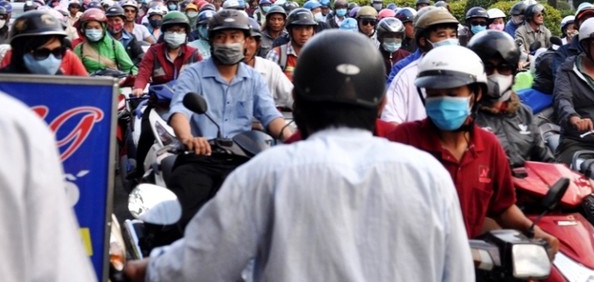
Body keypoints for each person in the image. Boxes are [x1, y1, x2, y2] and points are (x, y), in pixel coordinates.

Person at [123, 31, 473, 282]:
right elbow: (457, 272)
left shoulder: (267, 174)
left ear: (300, 103)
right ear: (381, 104)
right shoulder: (429, 175)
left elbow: (203, 262)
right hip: (206, 151)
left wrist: (146, 268)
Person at [386, 45, 559, 257]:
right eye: (434, 94)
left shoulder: (488, 145)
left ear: (475, 94)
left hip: (470, 263)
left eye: (452, 93)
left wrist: (534, 231)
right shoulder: (403, 141)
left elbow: (503, 207)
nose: (442, 101)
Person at [166, 9, 289, 231]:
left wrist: (291, 137)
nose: (228, 43)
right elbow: (179, 112)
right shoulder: (193, 74)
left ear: (246, 42)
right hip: (199, 158)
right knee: (184, 216)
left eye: (234, 37)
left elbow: (270, 115)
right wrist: (188, 138)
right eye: (221, 37)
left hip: (243, 160)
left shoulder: (253, 78)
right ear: (211, 40)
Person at [0, 91, 97, 282]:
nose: (50, 60)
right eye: (40, 56)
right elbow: (56, 262)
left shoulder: (18, 128)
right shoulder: (18, 126)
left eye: (58, 57)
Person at [469, 30, 553, 166]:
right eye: (488, 69)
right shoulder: (467, 118)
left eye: (504, 68)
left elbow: (546, 159)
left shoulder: (523, 113)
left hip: (528, 184)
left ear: (514, 71)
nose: (496, 75)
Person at [553, 17, 594, 163]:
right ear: (585, 45)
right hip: (577, 141)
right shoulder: (568, 70)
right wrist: (574, 118)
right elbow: (562, 99)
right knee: (569, 180)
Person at [382, 7, 460, 124]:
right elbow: (391, 119)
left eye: (453, 35)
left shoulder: (467, 69)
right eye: (442, 35)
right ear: (423, 41)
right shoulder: (405, 74)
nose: (449, 40)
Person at [132, 12, 202, 98]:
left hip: (186, 101)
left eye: (179, 30)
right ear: (164, 32)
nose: (175, 34)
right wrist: (138, 87)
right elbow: (144, 72)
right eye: (171, 30)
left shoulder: (194, 54)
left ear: (185, 33)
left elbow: (203, 77)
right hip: (158, 101)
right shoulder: (154, 52)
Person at [0, 10, 88, 76]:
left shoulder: (63, 83)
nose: (52, 59)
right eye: (42, 53)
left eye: (57, 52)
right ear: (20, 51)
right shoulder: (4, 85)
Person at [243, 18, 293, 110]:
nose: (245, 46)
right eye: (240, 40)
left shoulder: (270, 69)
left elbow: (293, 98)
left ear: (258, 44)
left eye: (250, 40)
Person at [74, 8, 137, 75]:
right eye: (89, 28)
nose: (93, 31)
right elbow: (76, 73)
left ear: (103, 28)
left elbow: (130, 68)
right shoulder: (79, 48)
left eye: (97, 27)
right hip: (89, 83)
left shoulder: (115, 45)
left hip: (113, 82)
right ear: (84, 29)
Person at [266, 7, 316, 82]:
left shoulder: (320, 55)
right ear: (290, 31)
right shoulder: (276, 54)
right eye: (298, 28)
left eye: (308, 28)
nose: (303, 33)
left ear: (313, 31)